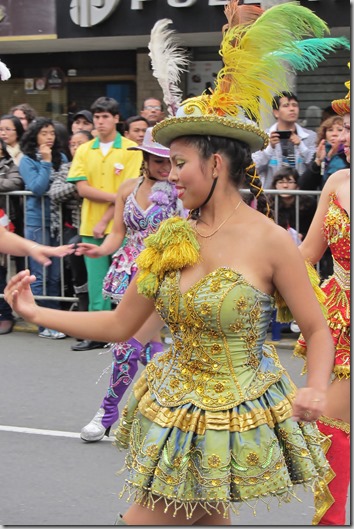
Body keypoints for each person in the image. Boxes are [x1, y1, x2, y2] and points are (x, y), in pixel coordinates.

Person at [4, 3, 337, 525]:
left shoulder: (270, 240)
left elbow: (316, 329)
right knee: (203, 520)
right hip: (177, 412)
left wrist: (316, 385)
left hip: (235, 413)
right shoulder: (170, 238)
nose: (171, 177)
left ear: (217, 163)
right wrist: (36, 311)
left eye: (180, 164)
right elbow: (121, 324)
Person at [77, 127, 185, 442]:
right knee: (148, 349)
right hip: (130, 272)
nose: (165, 168)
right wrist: (100, 250)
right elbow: (117, 234)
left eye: (170, 161)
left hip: (165, 274)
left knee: (128, 347)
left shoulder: (181, 191)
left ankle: (107, 412)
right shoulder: (127, 187)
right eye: (158, 160)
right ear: (145, 159)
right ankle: (165, 414)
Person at [294, 73, 350, 526]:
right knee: (330, 423)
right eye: (348, 125)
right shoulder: (336, 182)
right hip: (340, 320)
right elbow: (307, 257)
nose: (347, 134)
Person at [67, 96, 142, 351]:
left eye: (105, 117)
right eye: (96, 117)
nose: (100, 122)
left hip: (124, 228)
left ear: (116, 119)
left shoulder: (131, 148)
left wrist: (108, 216)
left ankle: (127, 333)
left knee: (126, 282)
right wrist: (116, 198)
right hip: (91, 227)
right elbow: (82, 188)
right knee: (97, 282)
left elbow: (131, 188)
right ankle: (97, 333)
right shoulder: (85, 149)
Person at [19, 117, 69, 339]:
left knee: (55, 277)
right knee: (39, 274)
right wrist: (46, 162)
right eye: (44, 133)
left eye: (51, 133)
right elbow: (37, 188)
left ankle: (56, 320)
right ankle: (43, 324)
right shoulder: (27, 160)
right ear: (35, 136)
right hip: (36, 221)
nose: (49, 137)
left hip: (57, 221)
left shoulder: (63, 157)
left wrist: (52, 161)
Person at [48, 130, 94, 322]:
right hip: (76, 226)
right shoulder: (67, 168)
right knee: (75, 255)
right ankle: (82, 302)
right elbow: (55, 192)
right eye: (73, 144)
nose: (76, 148)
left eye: (80, 144)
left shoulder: (97, 165)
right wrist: (79, 185)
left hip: (102, 224)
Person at [252, 92, 317, 189]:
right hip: (272, 198)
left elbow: (316, 168)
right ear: (276, 112)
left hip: (301, 197)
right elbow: (254, 169)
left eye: (295, 105)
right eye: (286, 105)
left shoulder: (310, 136)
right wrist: (270, 148)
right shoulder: (263, 137)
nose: (292, 109)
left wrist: (301, 146)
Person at [0, 138, 24, 334]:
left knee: (2, 272)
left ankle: (6, 314)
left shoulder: (9, 165)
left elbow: (14, 183)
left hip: (4, 223)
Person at [298, 114, 348, 191]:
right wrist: (318, 161)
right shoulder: (320, 153)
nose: (334, 134)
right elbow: (304, 185)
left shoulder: (348, 154)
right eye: (330, 130)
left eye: (340, 130)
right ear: (324, 135)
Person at [271, 166, 317, 242]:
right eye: (280, 182)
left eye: (290, 182)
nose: (285, 186)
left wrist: (303, 236)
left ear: (297, 185)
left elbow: (316, 231)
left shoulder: (309, 203)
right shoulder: (269, 203)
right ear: (275, 185)